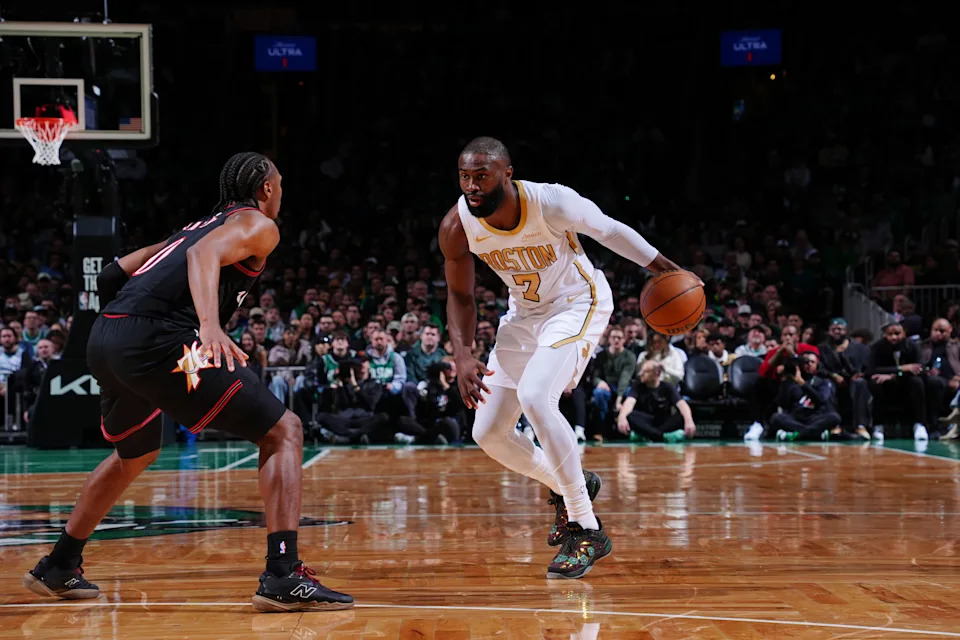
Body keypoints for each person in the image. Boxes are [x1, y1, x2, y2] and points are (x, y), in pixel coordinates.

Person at [22, 152, 353, 612]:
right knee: (284, 431)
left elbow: (114, 273)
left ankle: (58, 564)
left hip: (107, 336)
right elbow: (203, 255)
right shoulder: (259, 224)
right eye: (280, 182)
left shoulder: (194, 227)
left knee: (134, 454)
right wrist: (210, 325)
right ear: (267, 189)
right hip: (163, 339)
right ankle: (282, 573)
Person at [438, 136, 687, 579]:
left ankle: (586, 528)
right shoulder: (458, 225)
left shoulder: (551, 202)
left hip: (578, 303)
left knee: (536, 397)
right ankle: (569, 485)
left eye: (482, 176)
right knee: (488, 432)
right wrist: (462, 355)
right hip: (524, 315)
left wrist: (666, 269)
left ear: (506, 174)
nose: (472, 187)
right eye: (465, 177)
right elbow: (460, 293)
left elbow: (610, 230)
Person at [616, 360, 696, 443]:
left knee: (683, 416)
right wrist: (622, 417)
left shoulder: (667, 387)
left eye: (646, 372)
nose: (641, 374)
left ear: (656, 373)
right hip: (646, 421)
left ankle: (646, 435)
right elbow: (629, 402)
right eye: (641, 371)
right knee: (630, 416)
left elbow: (682, 404)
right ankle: (662, 437)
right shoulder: (638, 386)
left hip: (663, 421)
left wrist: (689, 421)